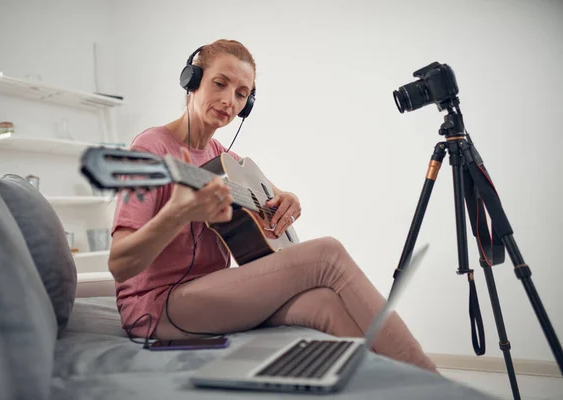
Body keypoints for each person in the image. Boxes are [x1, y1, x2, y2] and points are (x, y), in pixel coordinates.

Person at [108, 39, 438, 373]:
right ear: (191, 81)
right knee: (327, 254)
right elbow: (120, 264)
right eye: (220, 84)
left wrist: (287, 201)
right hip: (157, 307)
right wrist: (177, 213)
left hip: (207, 295)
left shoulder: (225, 159)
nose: (229, 101)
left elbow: (268, 196)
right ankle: (431, 379)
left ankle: (390, 385)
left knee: (325, 303)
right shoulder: (148, 150)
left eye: (241, 93)